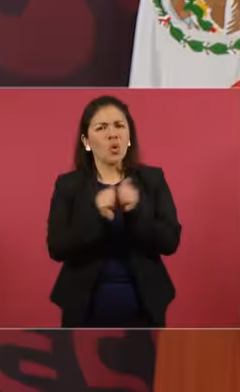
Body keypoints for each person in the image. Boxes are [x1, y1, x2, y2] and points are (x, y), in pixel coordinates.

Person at [46, 95, 182, 328]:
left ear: (129, 137)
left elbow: (170, 242)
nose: (113, 134)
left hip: (145, 307)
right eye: (101, 128)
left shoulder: (152, 179)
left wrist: (136, 210)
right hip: (84, 307)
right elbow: (57, 247)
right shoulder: (68, 185)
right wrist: (96, 212)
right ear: (86, 141)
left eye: (119, 126)